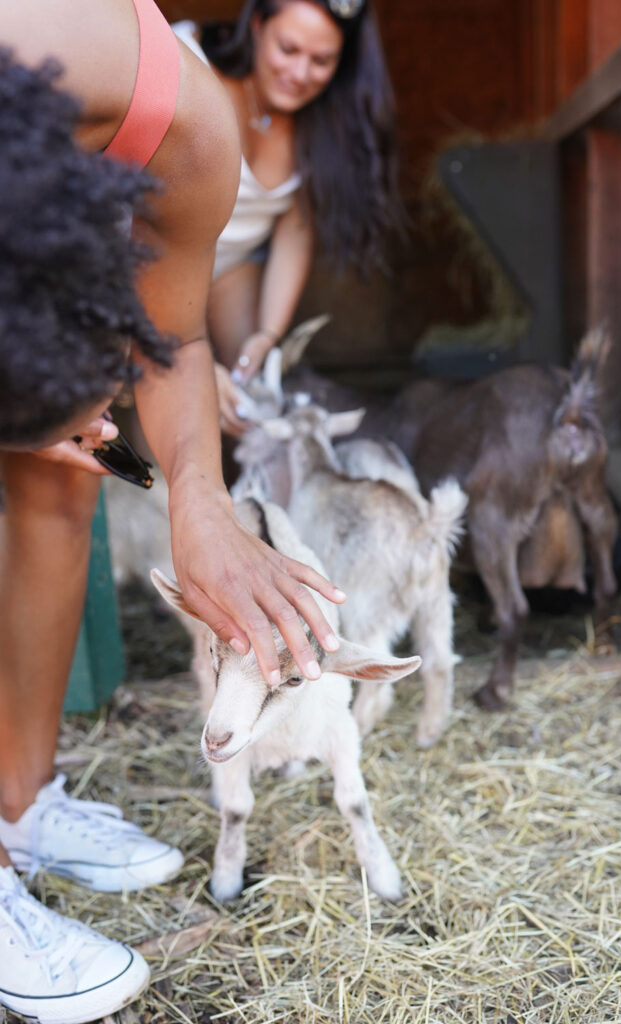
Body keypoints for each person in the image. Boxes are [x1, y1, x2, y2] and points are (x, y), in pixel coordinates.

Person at [0, 0, 347, 1018]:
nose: (101, 421)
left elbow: (177, 337)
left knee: (68, 474)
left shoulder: (185, 121)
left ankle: (20, 799)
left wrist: (199, 502)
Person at [172, 0, 400, 434]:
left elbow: (296, 230)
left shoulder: (328, 118)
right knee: (182, 400)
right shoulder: (188, 67)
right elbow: (140, 224)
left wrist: (269, 335)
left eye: (321, 60)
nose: (299, 74)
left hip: (231, 265)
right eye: (288, 49)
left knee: (255, 394)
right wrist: (186, 349)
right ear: (257, 25)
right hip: (152, 256)